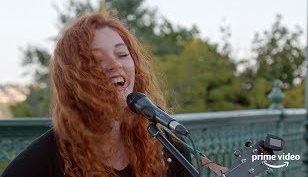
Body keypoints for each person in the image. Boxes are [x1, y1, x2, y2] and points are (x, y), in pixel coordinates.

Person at [1, 13, 192, 177]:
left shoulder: (170, 150)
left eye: (122, 54)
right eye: (97, 59)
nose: (114, 65)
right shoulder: (42, 162)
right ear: (74, 78)